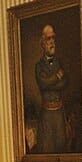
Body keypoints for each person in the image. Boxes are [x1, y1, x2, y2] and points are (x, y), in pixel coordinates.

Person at [30, 23, 70, 153]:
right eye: (48, 39)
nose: (52, 42)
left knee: (62, 145)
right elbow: (42, 84)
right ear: (43, 43)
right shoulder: (39, 66)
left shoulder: (59, 62)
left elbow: (64, 83)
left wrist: (50, 82)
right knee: (48, 148)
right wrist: (57, 76)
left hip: (59, 112)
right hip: (47, 114)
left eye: (53, 38)